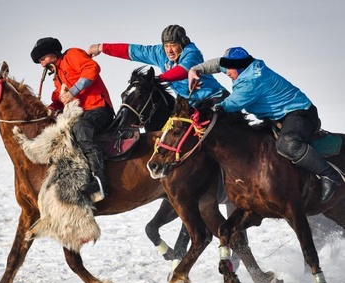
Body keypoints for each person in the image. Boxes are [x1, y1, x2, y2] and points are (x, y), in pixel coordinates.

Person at [188, 47, 343, 203]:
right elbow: (217, 64)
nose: (227, 73)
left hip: (300, 113)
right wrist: (196, 70)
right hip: (276, 117)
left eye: (230, 69)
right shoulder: (242, 65)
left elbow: (229, 105)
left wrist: (207, 110)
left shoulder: (252, 81)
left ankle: (330, 175)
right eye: (226, 68)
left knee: (287, 144)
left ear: (240, 67)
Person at [31, 37, 115, 201]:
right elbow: (59, 98)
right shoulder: (57, 76)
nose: (42, 64)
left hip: (98, 108)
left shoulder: (72, 55)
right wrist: (51, 108)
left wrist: (72, 92)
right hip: (81, 113)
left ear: (53, 53)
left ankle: (100, 182)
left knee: (80, 129)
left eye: (43, 59)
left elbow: (92, 68)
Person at [87, 24, 229, 105]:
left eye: (173, 45)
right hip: (190, 105)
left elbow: (182, 71)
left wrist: (157, 79)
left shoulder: (192, 53)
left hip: (214, 98)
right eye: (166, 45)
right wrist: (101, 47)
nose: (169, 50)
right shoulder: (160, 52)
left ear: (183, 43)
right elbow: (134, 51)